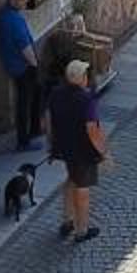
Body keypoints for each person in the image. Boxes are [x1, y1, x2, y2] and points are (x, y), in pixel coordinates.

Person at [45, 56, 109, 243]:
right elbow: (92, 129)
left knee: (71, 179)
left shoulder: (56, 93)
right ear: (81, 78)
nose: (87, 77)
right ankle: (82, 230)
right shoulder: (85, 99)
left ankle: (67, 221)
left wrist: (51, 143)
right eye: (86, 74)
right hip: (83, 151)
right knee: (82, 188)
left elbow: (47, 119)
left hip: (64, 147)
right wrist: (103, 152)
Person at [0, 0, 43, 146]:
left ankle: (35, 129)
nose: (25, 1)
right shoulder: (14, 20)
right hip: (23, 67)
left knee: (33, 96)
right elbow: (24, 46)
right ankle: (24, 140)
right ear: (12, 0)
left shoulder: (4, 15)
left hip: (14, 65)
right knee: (25, 102)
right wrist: (34, 65)